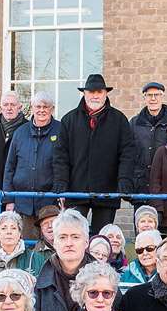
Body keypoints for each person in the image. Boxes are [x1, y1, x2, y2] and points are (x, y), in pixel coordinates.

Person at [53, 73, 137, 232]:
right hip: (76, 190)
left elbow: (127, 154)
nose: (95, 96)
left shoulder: (119, 120)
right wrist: (61, 184)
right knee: (75, 233)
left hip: (107, 190)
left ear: (106, 94)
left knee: (102, 238)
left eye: (99, 92)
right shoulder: (69, 120)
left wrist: (124, 180)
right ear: (84, 94)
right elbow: (60, 156)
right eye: (91, 92)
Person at [0, 90, 61, 228]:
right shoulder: (20, 132)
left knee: (51, 243)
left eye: (45, 107)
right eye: (38, 107)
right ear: (32, 108)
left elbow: (66, 164)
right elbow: (10, 167)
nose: (41, 110)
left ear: (52, 109)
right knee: (27, 243)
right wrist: (9, 199)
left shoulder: (61, 130)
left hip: (50, 202)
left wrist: (62, 194)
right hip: (23, 202)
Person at [32, 209, 91, 311]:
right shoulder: (38, 284)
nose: (69, 243)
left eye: (75, 237)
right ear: (54, 243)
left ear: (86, 242)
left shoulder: (106, 281)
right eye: (62, 237)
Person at [0, 91, 27, 222]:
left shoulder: (27, 128)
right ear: (1, 107)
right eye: (6, 104)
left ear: (20, 107)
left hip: (19, 191)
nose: (9, 108)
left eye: (13, 105)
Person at [128, 81, 167, 196]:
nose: (153, 98)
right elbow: (128, 152)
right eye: (149, 95)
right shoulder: (134, 123)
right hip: (140, 184)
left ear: (162, 97)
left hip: (165, 183)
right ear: (144, 97)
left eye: (157, 95)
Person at [0, 209, 45, 282]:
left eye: (13, 228)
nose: (9, 232)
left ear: (20, 234)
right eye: (4, 228)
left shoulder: (36, 258)